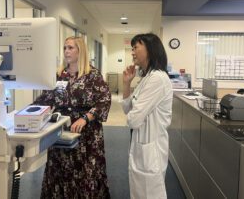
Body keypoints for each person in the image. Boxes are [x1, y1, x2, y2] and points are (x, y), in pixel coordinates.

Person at [34, 36, 111, 199]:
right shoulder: (59, 75)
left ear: (80, 51)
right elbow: (47, 98)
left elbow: (104, 100)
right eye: (64, 48)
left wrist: (85, 118)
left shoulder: (92, 75)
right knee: (60, 169)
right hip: (61, 129)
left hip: (86, 133)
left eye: (70, 48)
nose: (66, 51)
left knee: (85, 172)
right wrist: (28, 112)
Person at [121, 33, 173, 199]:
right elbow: (127, 109)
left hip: (151, 147)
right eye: (132, 48)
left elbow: (133, 119)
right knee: (140, 191)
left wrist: (133, 115)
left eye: (136, 47)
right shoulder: (146, 78)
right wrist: (127, 83)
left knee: (150, 193)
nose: (133, 52)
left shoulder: (157, 79)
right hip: (141, 143)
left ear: (150, 50)